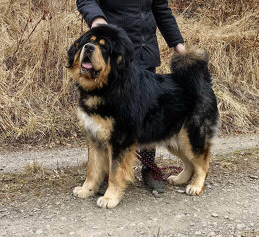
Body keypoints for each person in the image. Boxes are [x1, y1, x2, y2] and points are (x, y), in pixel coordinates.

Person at [76, 0, 185, 193]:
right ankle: (105, 174)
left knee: (147, 114)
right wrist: (97, 18)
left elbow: (161, 9)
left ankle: (149, 167)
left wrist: (177, 44)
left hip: (145, 51)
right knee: (106, 121)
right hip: (113, 53)